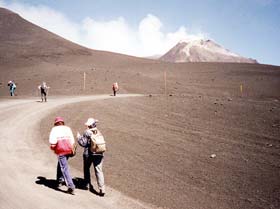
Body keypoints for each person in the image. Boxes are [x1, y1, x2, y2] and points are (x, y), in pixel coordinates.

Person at [77, 118, 105, 196]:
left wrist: (78, 137)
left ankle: (87, 184)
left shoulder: (87, 132)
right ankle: (102, 189)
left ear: (89, 125)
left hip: (88, 154)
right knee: (99, 171)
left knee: (86, 168)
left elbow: (83, 143)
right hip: (99, 154)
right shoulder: (98, 131)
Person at [49, 116, 75, 194]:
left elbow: (52, 141)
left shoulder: (54, 129)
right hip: (69, 149)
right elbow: (72, 140)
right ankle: (59, 180)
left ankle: (71, 186)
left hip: (61, 150)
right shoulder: (67, 128)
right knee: (61, 164)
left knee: (64, 167)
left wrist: (53, 148)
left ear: (56, 123)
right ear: (62, 122)